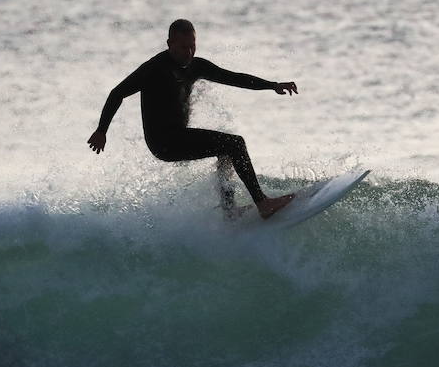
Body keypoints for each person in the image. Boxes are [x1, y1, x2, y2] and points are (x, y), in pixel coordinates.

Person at [88, 19, 298, 219]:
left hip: (179, 136)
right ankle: (263, 205)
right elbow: (117, 93)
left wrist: (272, 85)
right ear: (170, 44)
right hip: (163, 143)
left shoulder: (196, 66)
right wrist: (101, 131)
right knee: (236, 144)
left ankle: (229, 211)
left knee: (227, 149)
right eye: (183, 47)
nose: (189, 52)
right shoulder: (154, 69)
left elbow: (233, 78)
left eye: (192, 46)